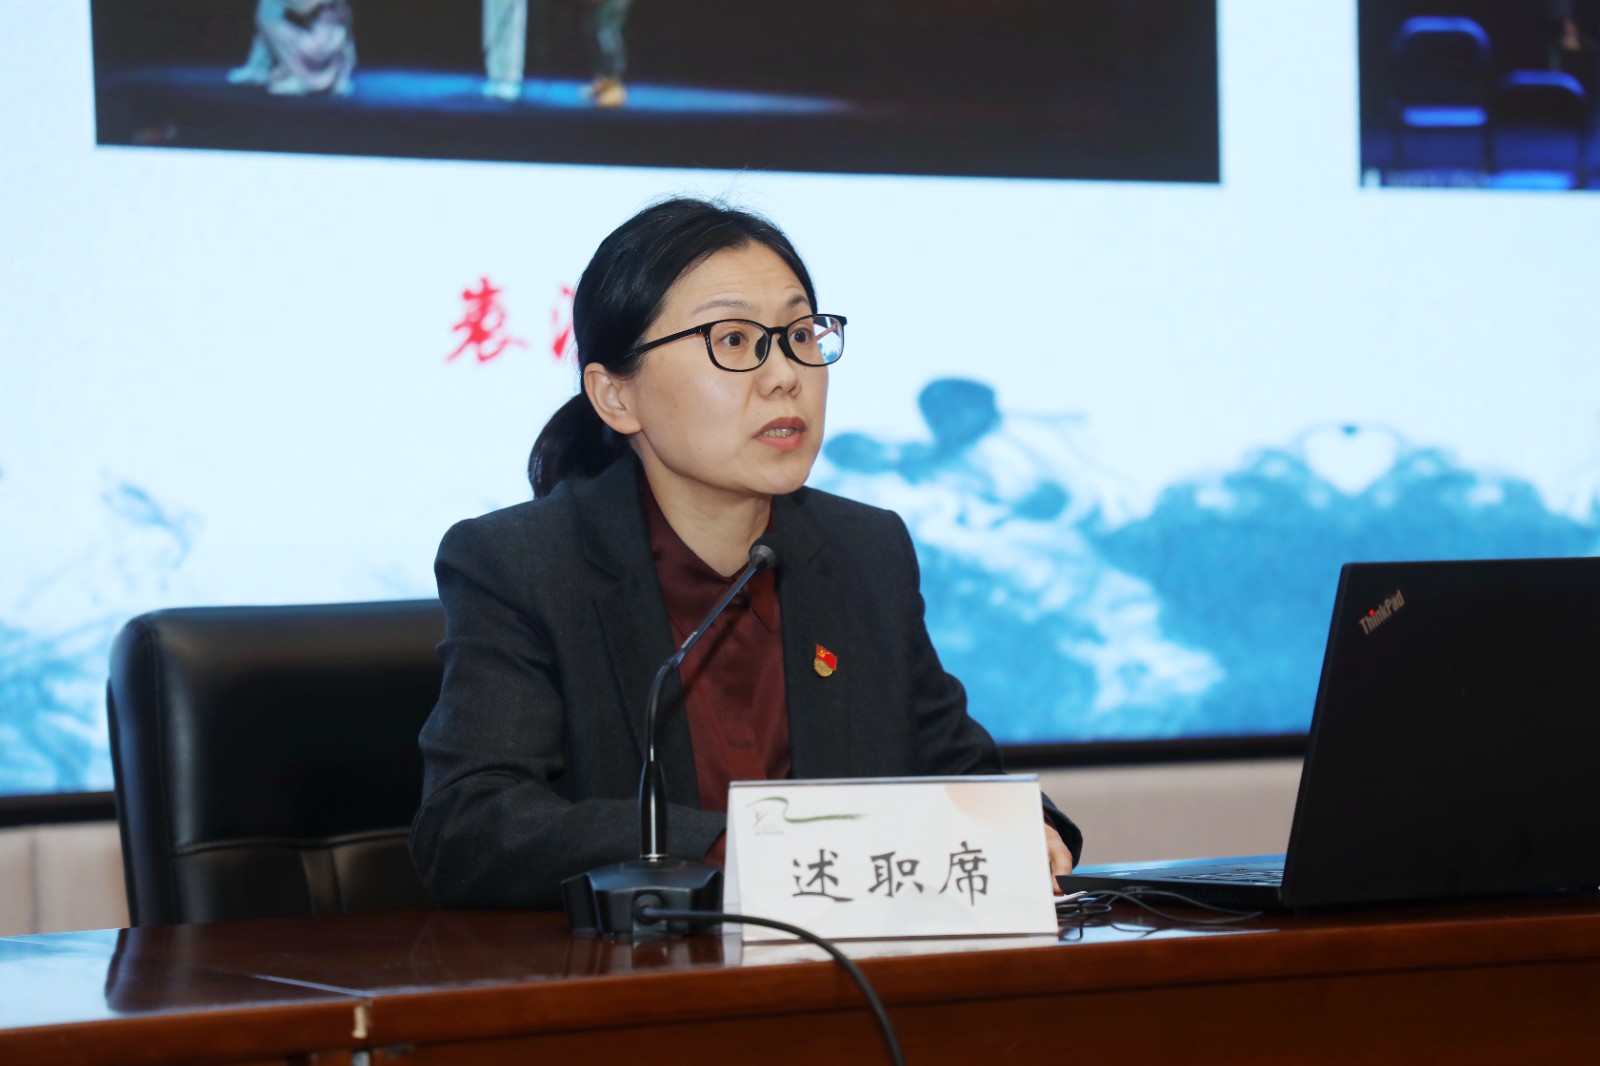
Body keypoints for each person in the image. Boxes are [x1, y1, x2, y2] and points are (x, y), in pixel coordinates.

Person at [410, 197, 1082, 910]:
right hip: (635, 973)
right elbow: (471, 826)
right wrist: (731, 849)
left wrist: (1025, 828)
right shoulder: (523, 564)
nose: (785, 374)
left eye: (800, 334)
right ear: (615, 397)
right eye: (733, 340)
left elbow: (955, 769)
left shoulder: (864, 551)